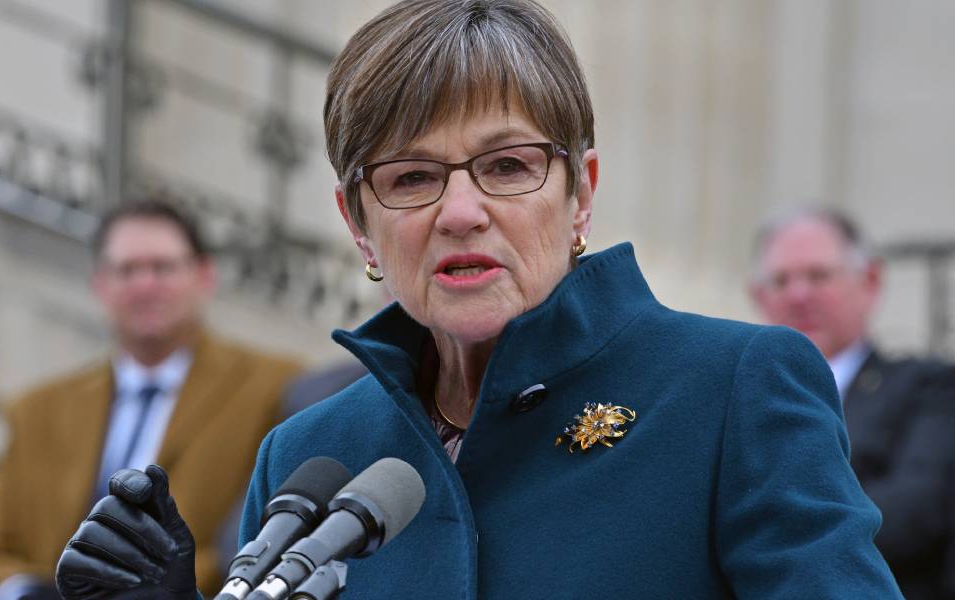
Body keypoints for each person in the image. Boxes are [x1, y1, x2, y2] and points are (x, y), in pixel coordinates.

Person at [55, 1, 902, 598]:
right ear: (358, 222)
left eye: (507, 166)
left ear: (581, 194)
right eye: (412, 177)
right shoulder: (309, 453)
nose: (462, 213)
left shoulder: (733, 388)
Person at [0, 200, 303, 599]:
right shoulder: (38, 409)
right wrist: (25, 592)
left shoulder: (274, 387)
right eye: (127, 270)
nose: (144, 284)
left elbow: (259, 539)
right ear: (100, 284)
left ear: (204, 276)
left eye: (162, 267)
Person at [750, 207, 955, 599]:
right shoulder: (736, 396)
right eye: (780, 280)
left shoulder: (929, 388)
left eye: (818, 275)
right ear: (758, 296)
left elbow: (913, 511)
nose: (799, 294)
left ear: (871, 281)